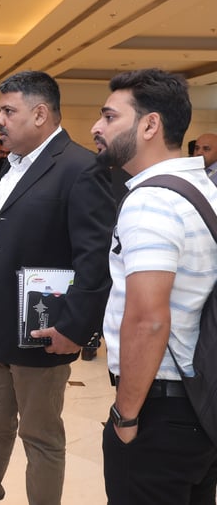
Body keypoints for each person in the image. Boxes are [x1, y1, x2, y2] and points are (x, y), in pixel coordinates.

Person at [0, 71, 115, 505]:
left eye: (8, 111)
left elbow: (96, 260)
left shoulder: (80, 168)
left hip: (42, 331)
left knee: (40, 435)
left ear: (40, 114)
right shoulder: (13, 165)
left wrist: (74, 329)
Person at [92, 68, 217, 503]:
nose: (97, 127)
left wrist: (126, 416)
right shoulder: (201, 188)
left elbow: (148, 320)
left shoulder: (151, 201)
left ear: (150, 125)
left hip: (162, 409)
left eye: (110, 116)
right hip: (202, 403)